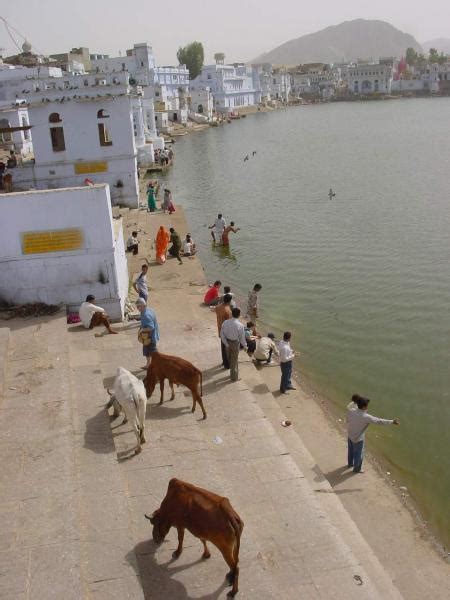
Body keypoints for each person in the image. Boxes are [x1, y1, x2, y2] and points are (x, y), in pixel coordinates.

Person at [347, 394, 400, 474]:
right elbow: (379, 421)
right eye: (367, 405)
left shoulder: (351, 411)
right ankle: (357, 469)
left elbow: (348, 419)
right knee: (359, 454)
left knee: (351, 451)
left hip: (350, 435)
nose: (368, 406)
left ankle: (350, 464)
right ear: (364, 407)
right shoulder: (366, 417)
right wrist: (392, 421)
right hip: (358, 439)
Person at [220, 307, 247, 382]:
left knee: (231, 359)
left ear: (232, 314)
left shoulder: (225, 322)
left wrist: (226, 343)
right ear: (239, 315)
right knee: (234, 361)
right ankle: (234, 378)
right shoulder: (240, 325)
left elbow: (222, 334)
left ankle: (234, 374)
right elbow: (242, 338)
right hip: (235, 343)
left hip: (227, 342)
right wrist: (245, 346)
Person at [136, 298, 160, 369]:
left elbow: (151, 327)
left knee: (153, 353)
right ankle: (148, 364)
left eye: (139, 306)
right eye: (137, 306)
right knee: (147, 351)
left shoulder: (146, 315)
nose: (137, 308)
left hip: (150, 338)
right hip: (150, 336)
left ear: (143, 305)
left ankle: (157, 366)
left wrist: (142, 330)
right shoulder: (149, 310)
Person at [214, 294, 233, 368]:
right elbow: (229, 322)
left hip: (220, 328)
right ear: (230, 301)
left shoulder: (218, 307)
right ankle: (227, 364)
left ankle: (224, 361)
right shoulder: (227, 310)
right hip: (227, 332)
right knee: (227, 348)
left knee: (223, 347)